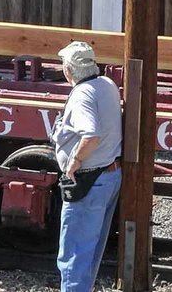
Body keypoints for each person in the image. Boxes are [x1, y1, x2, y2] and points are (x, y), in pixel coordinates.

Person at [50, 40, 123, 292]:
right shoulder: (108, 85)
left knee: (74, 254)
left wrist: (74, 162)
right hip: (109, 174)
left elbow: (91, 134)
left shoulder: (81, 95)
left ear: (68, 70)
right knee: (90, 250)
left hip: (88, 179)